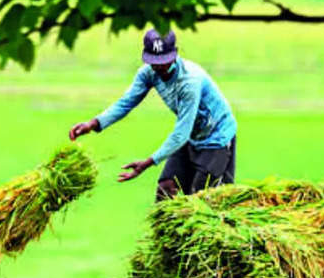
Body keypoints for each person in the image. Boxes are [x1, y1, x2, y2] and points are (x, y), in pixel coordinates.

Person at [68, 28, 237, 202]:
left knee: (201, 199)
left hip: (216, 138)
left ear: (175, 54)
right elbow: (126, 102)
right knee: (165, 188)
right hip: (192, 135)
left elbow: (181, 133)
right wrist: (94, 124)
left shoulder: (189, 82)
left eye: (164, 61)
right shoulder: (148, 73)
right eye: (154, 61)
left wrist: (147, 163)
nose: (159, 67)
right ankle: (160, 230)